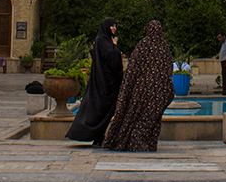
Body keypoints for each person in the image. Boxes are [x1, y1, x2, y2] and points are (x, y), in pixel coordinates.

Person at [103, 21, 175, 152]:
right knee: (152, 118)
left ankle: (134, 142)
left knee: (137, 115)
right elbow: (168, 68)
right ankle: (147, 143)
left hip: (142, 90)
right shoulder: (164, 47)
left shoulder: (143, 45)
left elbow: (133, 67)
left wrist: (127, 87)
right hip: (159, 92)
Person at [66, 18, 123, 146]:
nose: (114, 28)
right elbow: (111, 59)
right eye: (112, 26)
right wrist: (115, 47)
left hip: (107, 82)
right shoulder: (103, 41)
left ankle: (99, 137)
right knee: (101, 111)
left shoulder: (105, 40)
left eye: (115, 26)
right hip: (104, 84)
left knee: (105, 111)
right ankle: (94, 135)